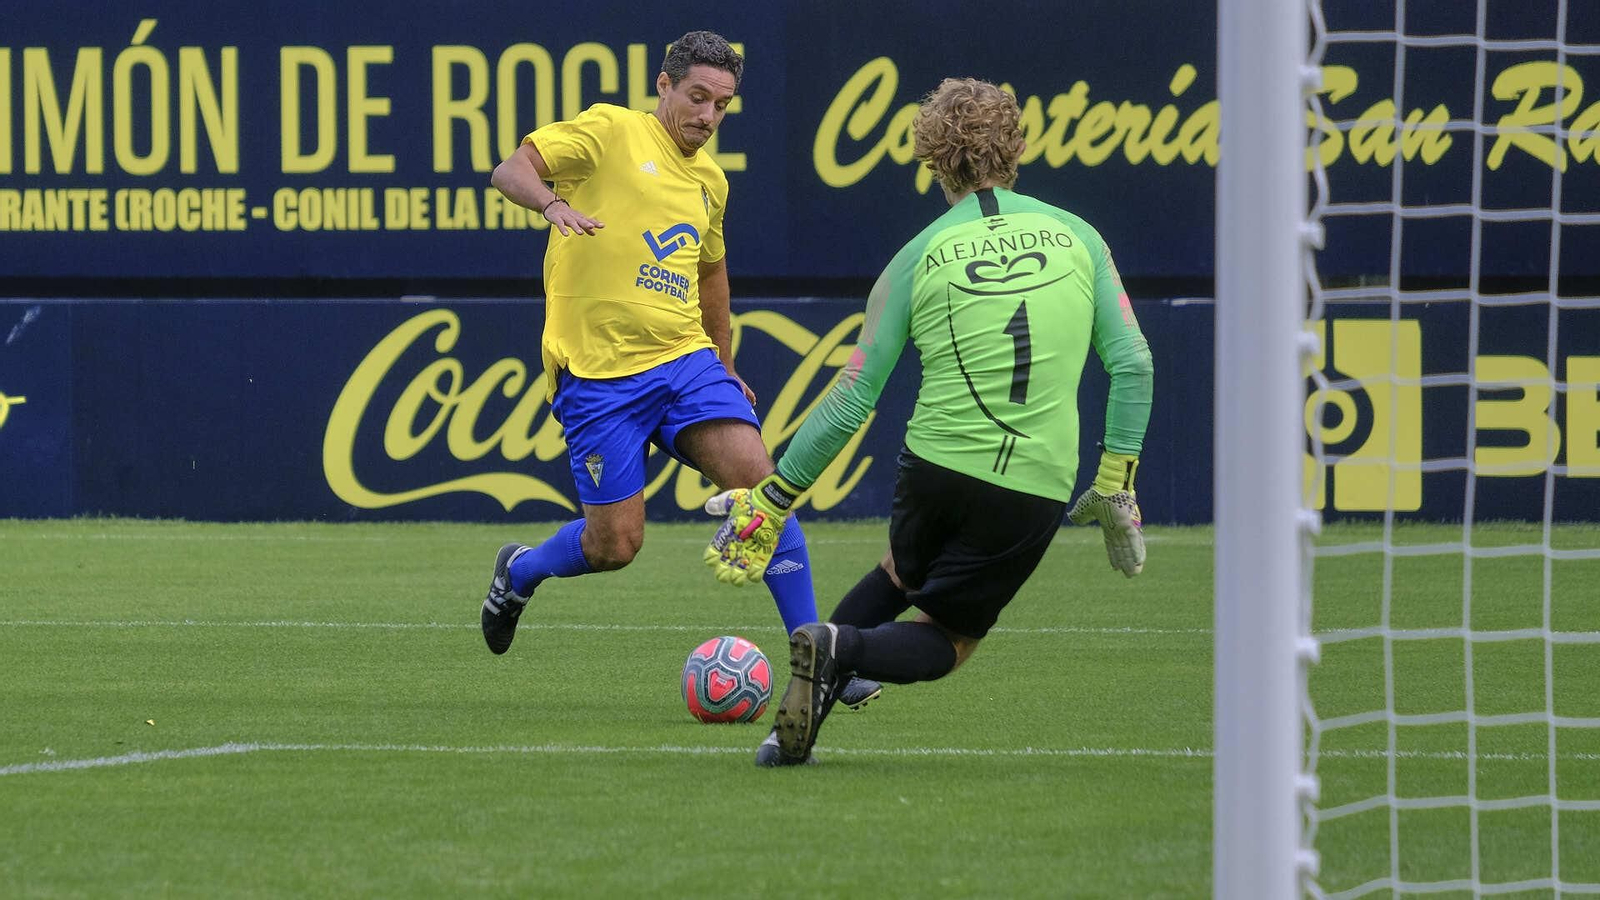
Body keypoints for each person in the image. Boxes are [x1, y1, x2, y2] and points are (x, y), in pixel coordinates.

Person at [703, 77, 1154, 766]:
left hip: (933, 467)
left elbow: (854, 395)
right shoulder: (1080, 238)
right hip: (1033, 480)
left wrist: (773, 496)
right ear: (1016, 145)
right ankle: (840, 649)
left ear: (932, 156)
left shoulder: (914, 258)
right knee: (948, 640)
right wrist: (1116, 482)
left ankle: (784, 736)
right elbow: (1134, 365)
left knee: (899, 571)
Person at [479, 30, 882, 710]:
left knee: (765, 491)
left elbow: (710, 272)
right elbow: (510, 168)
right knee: (615, 545)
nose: (709, 116)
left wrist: (723, 364)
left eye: (724, 105)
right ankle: (520, 571)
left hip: (683, 361)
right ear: (664, 87)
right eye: (698, 97)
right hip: (598, 375)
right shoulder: (611, 131)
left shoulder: (710, 181)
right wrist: (551, 203)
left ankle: (820, 658)